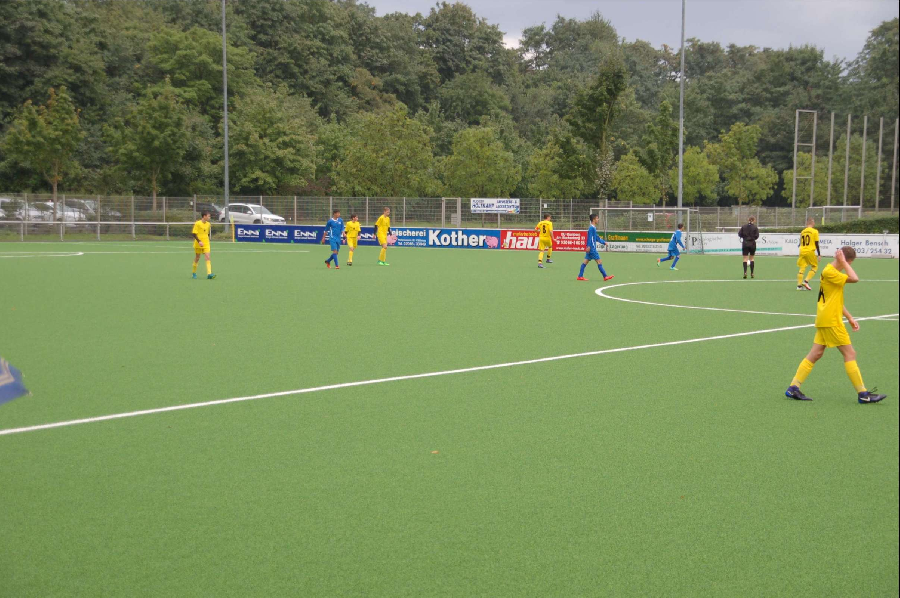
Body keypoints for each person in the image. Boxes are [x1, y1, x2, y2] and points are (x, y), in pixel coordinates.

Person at [785, 246, 886, 403]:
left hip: (826, 318)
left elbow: (835, 300)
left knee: (816, 354)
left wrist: (850, 317)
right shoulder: (830, 272)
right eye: (849, 263)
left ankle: (793, 388)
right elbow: (855, 278)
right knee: (850, 354)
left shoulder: (831, 272)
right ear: (848, 261)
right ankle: (863, 394)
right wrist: (844, 262)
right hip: (831, 320)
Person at [577, 214, 614, 282]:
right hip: (592, 248)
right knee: (599, 261)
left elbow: (596, 237)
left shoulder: (593, 228)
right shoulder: (591, 228)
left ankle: (580, 276)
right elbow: (589, 238)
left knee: (585, 262)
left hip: (590, 248)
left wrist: (603, 242)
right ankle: (605, 276)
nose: (598, 219)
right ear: (594, 220)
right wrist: (588, 246)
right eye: (597, 218)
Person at [796, 217, 820, 291]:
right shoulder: (815, 231)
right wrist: (819, 254)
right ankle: (806, 281)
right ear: (812, 223)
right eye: (814, 222)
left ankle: (799, 286)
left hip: (802, 251)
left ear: (807, 223)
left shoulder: (802, 232)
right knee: (815, 266)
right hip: (810, 251)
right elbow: (816, 243)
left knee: (802, 267)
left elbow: (800, 243)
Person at [191, 210, 216, 279]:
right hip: (198, 243)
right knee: (197, 258)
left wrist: (206, 240)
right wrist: (199, 241)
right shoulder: (197, 223)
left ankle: (209, 274)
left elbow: (207, 233)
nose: (209, 217)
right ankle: (194, 273)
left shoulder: (208, 224)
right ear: (204, 216)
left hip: (206, 243)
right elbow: (194, 234)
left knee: (208, 257)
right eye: (208, 216)